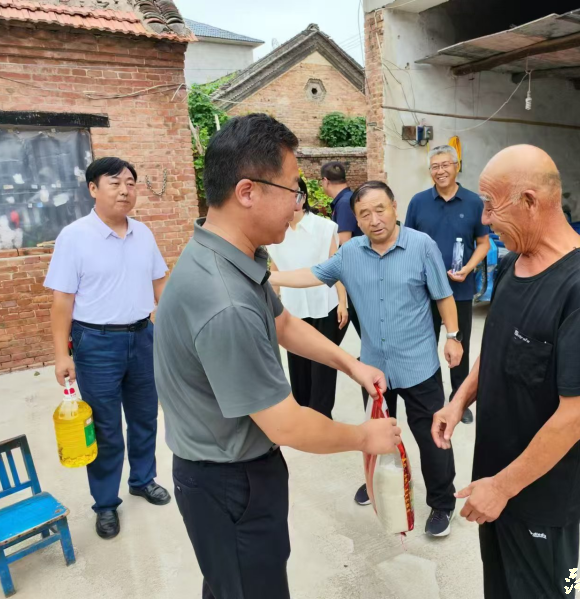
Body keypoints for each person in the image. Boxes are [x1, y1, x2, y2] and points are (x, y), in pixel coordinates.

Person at [153, 114, 400, 599]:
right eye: (292, 188)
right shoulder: (225, 301)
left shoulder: (231, 255)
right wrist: (363, 437)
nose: (297, 202)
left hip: (231, 470)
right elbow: (286, 425)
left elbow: (283, 322)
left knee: (233, 584)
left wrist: (351, 364)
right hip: (228, 480)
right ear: (247, 191)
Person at [432, 145, 580, 598]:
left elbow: (575, 418)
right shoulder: (511, 265)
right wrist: (459, 401)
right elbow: (498, 350)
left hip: (540, 495)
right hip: (494, 481)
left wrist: (503, 488)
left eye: (491, 205)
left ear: (530, 201)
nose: (484, 219)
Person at [270, 180, 464, 538]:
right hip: (373, 368)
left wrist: (452, 337)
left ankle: (442, 502)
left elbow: (443, 295)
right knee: (376, 432)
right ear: (356, 220)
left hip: (418, 365)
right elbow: (312, 274)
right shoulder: (350, 253)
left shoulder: (421, 245)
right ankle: (377, 481)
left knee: (432, 437)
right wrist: (267, 276)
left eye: (380, 209)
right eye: (364, 214)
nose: (374, 220)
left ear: (394, 207)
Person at [45, 157, 171, 540]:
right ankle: (105, 503)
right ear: (93, 189)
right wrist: (62, 355)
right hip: (96, 343)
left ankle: (142, 479)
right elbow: (62, 302)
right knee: (104, 427)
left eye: (130, 183)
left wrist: (170, 330)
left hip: (142, 337)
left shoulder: (143, 233)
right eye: (114, 183)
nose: (124, 190)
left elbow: (161, 286)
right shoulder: (74, 237)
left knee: (145, 416)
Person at [405, 145, 491, 425]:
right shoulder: (418, 202)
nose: (440, 171)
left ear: (456, 166)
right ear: (430, 171)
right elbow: (407, 243)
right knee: (425, 346)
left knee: (458, 345)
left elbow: (483, 243)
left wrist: (468, 268)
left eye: (445, 165)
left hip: (460, 290)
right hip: (424, 291)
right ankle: (430, 399)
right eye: (435, 166)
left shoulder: (474, 202)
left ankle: (459, 400)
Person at [268, 179, 350, 418]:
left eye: (294, 195)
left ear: (302, 197)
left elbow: (336, 267)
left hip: (324, 306)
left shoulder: (325, 228)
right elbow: (275, 270)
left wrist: (342, 302)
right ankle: (305, 416)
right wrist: (271, 307)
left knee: (324, 366)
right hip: (293, 310)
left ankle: (322, 416)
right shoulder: (275, 233)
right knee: (298, 366)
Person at [320, 161, 363, 338]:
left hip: (356, 277)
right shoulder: (348, 199)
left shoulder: (344, 203)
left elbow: (344, 244)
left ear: (325, 181)